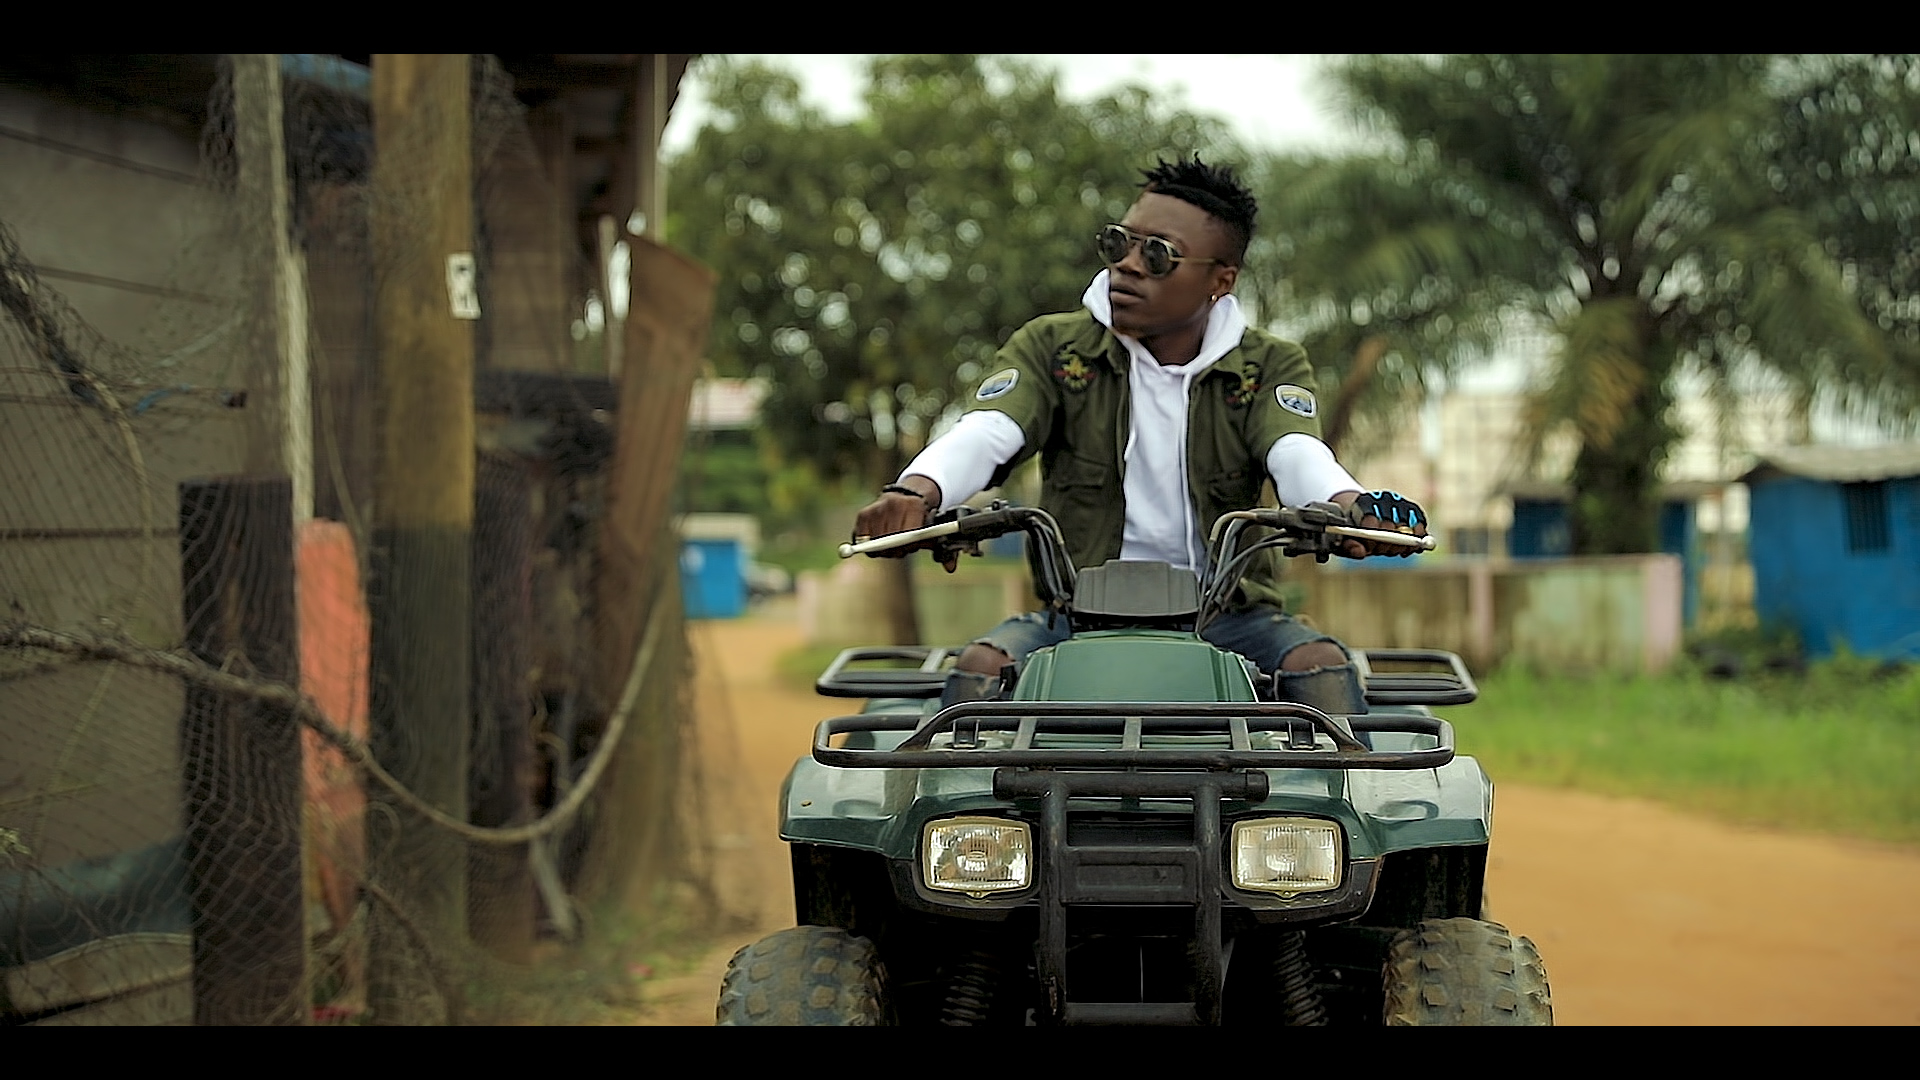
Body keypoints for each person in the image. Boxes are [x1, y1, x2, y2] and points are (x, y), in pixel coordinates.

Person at [851, 156, 1428, 715]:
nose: (1127, 265)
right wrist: (917, 490)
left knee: (1320, 668)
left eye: (1157, 254)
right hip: (1074, 616)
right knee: (979, 671)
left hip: (1229, 616)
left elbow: (1294, 449)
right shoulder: (1054, 348)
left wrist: (1350, 505)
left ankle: (1336, 788)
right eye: (1119, 244)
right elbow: (990, 428)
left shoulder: (1267, 364)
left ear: (1220, 279)